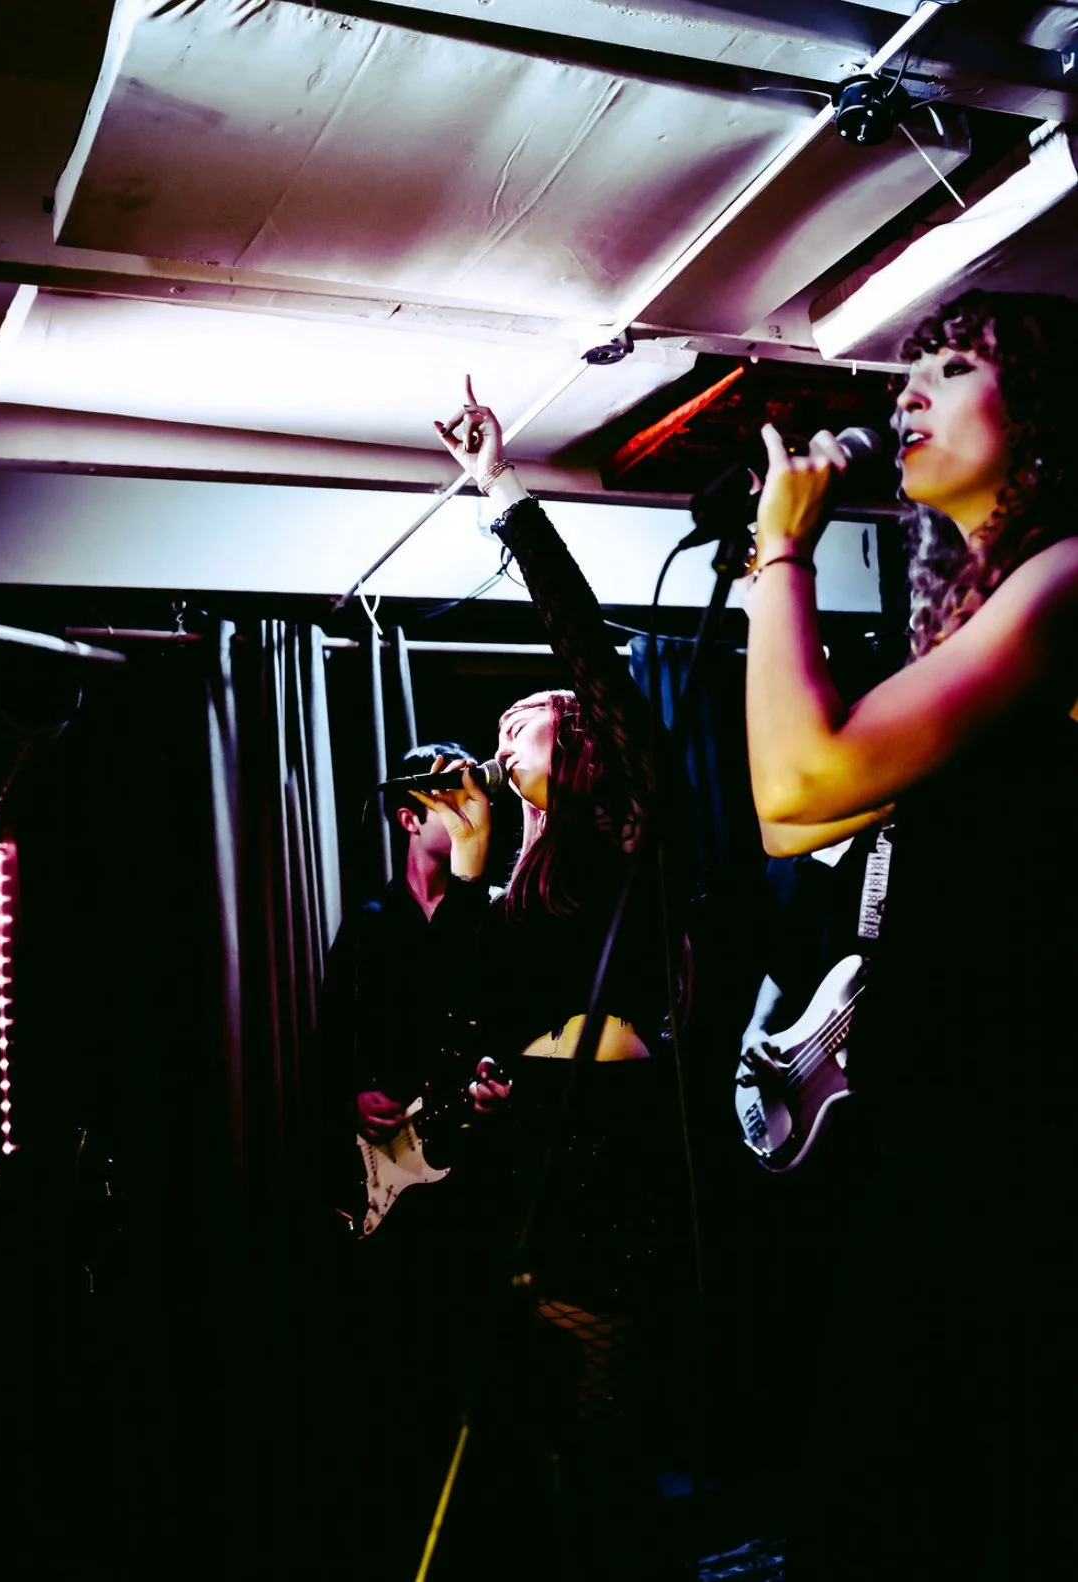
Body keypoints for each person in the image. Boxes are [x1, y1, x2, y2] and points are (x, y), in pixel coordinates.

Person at [743, 287, 1078, 1581]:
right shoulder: (979, 618)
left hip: (1021, 1150)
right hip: (945, 1138)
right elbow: (788, 817)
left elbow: (800, 774)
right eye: (908, 374)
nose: (908, 395)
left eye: (952, 365)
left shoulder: (1066, 577)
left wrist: (780, 556)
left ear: (1043, 413)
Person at [413, 383, 691, 1580]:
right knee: (541, 1436)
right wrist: (472, 862)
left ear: (577, 747)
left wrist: (505, 493)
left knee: (605, 1422)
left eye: (522, 721)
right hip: (534, 1150)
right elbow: (468, 1008)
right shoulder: (516, 878)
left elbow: (585, 646)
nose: (500, 736)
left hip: (611, 1149)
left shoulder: (625, 825)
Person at [321, 741, 509, 1582]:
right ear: (408, 818)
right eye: (445, 796)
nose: (469, 804)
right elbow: (331, 1042)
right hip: (389, 1184)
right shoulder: (368, 925)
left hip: (479, 1178)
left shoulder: (493, 915)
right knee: (394, 1370)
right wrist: (351, 1097)